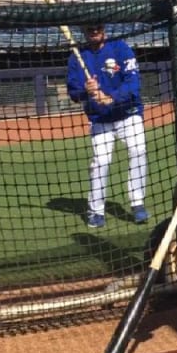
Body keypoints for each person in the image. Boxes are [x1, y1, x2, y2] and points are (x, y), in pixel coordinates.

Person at [66, 23, 149, 228]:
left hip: (128, 114)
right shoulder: (77, 56)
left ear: (104, 29)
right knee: (100, 162)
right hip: (100, 119)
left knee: (138, 151)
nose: (94, 31)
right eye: (90, 28)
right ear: (84, 31)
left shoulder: (120, 48)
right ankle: (96, 211)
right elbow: (74, 92)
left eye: (98, 27)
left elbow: (133, 84)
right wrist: (87, 90)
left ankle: (137, 203)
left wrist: (112, 97)